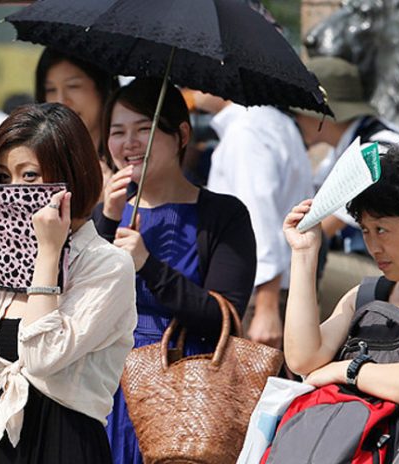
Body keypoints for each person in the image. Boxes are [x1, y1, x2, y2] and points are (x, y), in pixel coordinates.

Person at [0, 103, 137, 463]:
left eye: (29, 176)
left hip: (66, 445)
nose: (13, 192)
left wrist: (47, 254)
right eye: (2, 177)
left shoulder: (107, 264)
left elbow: (43, 357)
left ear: (68, 175)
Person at [96, 78, 257, 464]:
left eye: (144, 130)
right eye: (118, 132)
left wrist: (148, 265)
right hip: (105, 386)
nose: (129, 143)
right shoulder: (103, 215)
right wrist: (105, 220)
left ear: (181, 134)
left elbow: (223, 316)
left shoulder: (224, 215)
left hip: (184, 387)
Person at [283, 144, 399, 462]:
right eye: (365, 231)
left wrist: (348, 370)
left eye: (383, 229)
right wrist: (304, 254)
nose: (373, 246)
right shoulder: (366, 296)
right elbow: (304, 360)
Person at [293, 56, 399, 317]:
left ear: (322, 116)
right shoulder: (351, 147)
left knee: (303, 262)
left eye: (301, 112)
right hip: (382, 266)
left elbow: (322, 228)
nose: (297, 120)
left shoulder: (374, 153)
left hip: (394, 271)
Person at [197, 91, 314, 349]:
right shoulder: (273, 121)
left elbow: (260, 217)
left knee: (254, 386)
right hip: (279, 287)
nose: (193, 86)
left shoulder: (246, 132)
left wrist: (266, 307)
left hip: (256, 294)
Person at [35, 47, 119, 187]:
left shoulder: (128, 158)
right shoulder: (37, 162)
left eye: (73, 86)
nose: (61, 101)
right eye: (51, 90)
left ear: (103, 89)